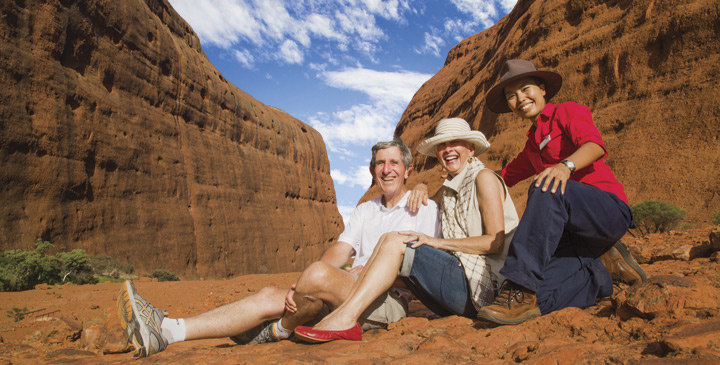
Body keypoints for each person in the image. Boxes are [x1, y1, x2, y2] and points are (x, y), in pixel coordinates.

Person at [117, 138, 440, 358]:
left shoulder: (423, 209)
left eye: (394, 163)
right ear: (373, 170)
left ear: (408, 170)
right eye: (380, 163)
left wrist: (339, 275)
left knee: (315, 276)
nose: (387, 169)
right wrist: (307, 283)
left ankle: (280, 330)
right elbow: (342, 250)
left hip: (386, 302)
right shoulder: (365, 210)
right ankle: (168, 331)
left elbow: (420, 269)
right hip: (346, 289)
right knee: (271, 294)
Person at [292, 118, 519, 343]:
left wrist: (436, 242)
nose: (448, 149)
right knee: (390, 238)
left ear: (470, 149)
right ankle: (338, 318)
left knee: (396, 240)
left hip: (486, 290)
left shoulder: (485, 178)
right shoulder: (450, 188)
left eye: (455, 143)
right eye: (442, 145)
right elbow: (426, 202)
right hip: (457, 287)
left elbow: (495, 242)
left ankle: (345, 319)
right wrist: (420, 186)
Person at [472, 59, 647, 325]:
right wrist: (457, 178)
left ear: (542, 89)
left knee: (546, 185)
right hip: (575, 238)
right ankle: (601, 274)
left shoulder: (567, 111)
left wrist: (565, 166)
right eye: (511, 96)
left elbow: (594, 145)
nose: (519, 98)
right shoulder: (532, 146)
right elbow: (501, 178)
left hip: (606, 211)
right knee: (536, 298)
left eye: (525, 88)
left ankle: (518, 286)